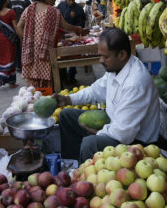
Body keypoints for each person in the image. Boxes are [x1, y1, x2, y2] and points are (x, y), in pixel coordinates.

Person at [54, 28, 160, 163]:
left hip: (135, 142)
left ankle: (85, 178)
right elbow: (95, 91)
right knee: (66, 115)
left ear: (121, 54)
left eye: (105, 57)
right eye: (100, 55)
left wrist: (98, 133)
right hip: (116, 125)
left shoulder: (135, 83)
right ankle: (72, 165)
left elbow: (124, 134)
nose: (100, 60)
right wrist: (68, 99)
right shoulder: (116, 67)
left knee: (90, 143)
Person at [17, 0, 85, 88]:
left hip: (30, 50)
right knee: (46, 79)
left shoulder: (29, 9)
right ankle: (46, 94)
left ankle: (34, 97)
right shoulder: (54, 12)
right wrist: (77, 29)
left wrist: (28, 40)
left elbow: (19, 27)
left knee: (32, 83)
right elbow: (65, 25)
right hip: (46, 51)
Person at [0, 0, 19, 88]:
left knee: (1, 59)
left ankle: (0, 78)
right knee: (10, 58)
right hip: (8, 39)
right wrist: (21, 37)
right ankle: (10, 82)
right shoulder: (11, 12)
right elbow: (15, 27)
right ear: (6, 1)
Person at [57, 0, 86, 83]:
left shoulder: (78, 8)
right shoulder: (60, 5)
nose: (71, 2)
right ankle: (63, 76)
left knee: (72, 55)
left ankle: (72, 76)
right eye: (69, 0)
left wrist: (76, 31)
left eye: (73, 0)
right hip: (61, 35)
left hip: (73, 36)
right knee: (61, 56)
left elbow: (81, 23)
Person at [7, 0, 31, 72]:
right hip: (23, 27)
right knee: (23, 46)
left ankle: (17, 66)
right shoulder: (26, 1)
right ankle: (23, 65)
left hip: (13, 28)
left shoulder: (9, 0)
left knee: (15, 46)